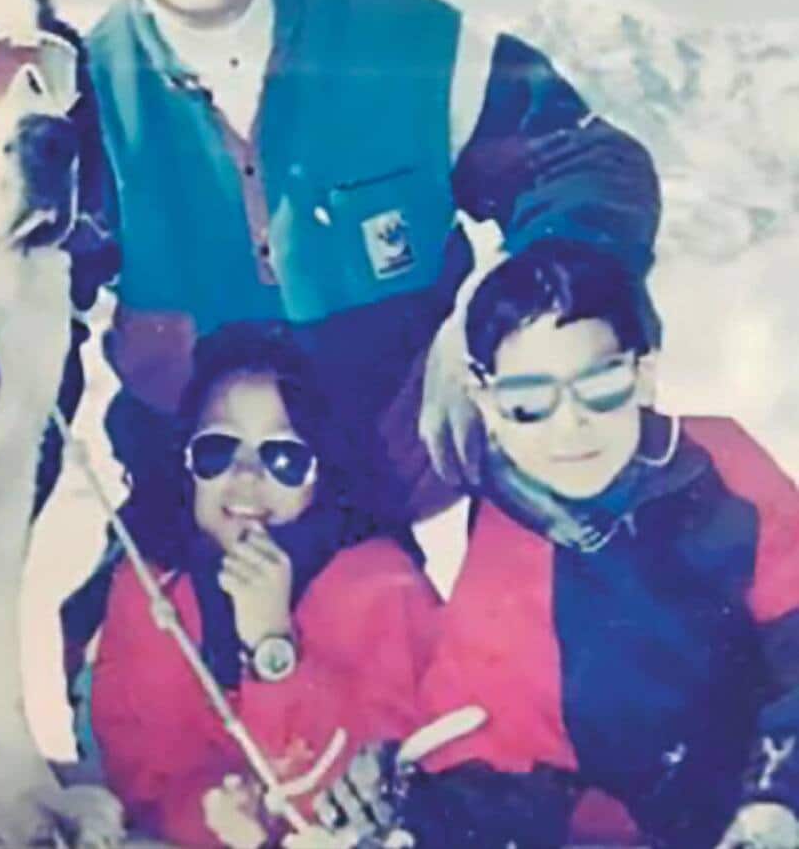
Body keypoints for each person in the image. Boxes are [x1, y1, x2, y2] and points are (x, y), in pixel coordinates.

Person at [66, 0, 661, 665]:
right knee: (157, 724)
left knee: (439, 665)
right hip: (210, 479)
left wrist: (528, 306)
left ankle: (569, 692)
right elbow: (28, 283)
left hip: (399, 448)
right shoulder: (84, 95)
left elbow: (582, 159)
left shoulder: (398, 38)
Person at [327, 239, 799, 849]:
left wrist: (778, 800)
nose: (569, 425)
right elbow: (489, 755)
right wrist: (412, 815)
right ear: (486, 401)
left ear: (644, 373)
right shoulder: (505, 559)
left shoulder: (724, 469)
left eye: (598, 385)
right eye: (529, 401)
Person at [89, 322, 438, 848]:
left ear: (327, 472)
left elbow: (374, 795)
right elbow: (142, 777)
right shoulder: (151, 587)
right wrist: (215, 815)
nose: (246, 477)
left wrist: (273, 649)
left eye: (283, 457)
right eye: (218, 449)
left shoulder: (384, 590)